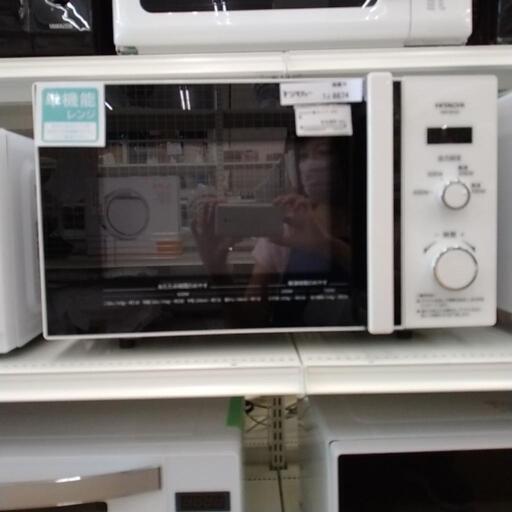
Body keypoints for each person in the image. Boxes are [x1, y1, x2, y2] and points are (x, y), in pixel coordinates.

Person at [191, 136, 352, 326]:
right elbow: (247, 322)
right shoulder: (285, 231)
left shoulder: (378, 222)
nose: (309, 165)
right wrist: (217, 268)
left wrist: (326, 246)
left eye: (323, 152)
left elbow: (384, 288)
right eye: (303, 156)